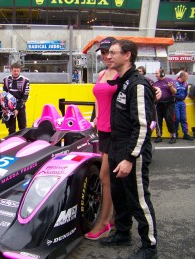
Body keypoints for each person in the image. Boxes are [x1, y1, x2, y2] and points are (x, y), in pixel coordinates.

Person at [100, 39, 158, 259]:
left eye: (113, 52)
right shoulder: (122, 81)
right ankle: (123, 232)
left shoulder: (138, 84)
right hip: (116, 146)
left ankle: (150, 246)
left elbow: (142, 127)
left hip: (131, 152)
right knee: (119, 195)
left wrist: (130, 157)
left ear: (127, 55)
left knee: (138, 199)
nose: (108, 56)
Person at [85, 37, 118, 241]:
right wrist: (97, 116)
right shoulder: (101, 73)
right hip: (103, 130)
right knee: (110, 177)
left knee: (106, 176)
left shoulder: (121, 74)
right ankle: (113, 217)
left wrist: (155, 91)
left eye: (109, 52)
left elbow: (140, 88)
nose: (106, 56)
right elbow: (99, 99)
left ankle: (104, 222)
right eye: (103, 53)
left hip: (117, 132)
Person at [2, 63, 30, 135]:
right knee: (11, 129)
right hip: (9, 107)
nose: (16, 73)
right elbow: (4, 94)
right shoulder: (6, 79)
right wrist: (5, 107)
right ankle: (11, 144)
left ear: (20, 70)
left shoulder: (25, 81)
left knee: (23, 128)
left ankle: (23, 143)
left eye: (17, 71)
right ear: (11, 70)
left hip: (20, 106)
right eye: (14, 71)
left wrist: (17, 108)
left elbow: (25, 97)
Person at [153, 68, 177, 144]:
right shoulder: (155, 83)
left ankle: (173, 136)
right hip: (159, 104)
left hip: (169, 104)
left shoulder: (169, 80)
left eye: (157, 73)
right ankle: (159, 136)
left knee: (169, 119)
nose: (156, 75)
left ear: (162, 73)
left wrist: (170, 87)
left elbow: (175, 92)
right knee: (158, 120)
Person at [174, 72, 194, 141]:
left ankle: (185, 134)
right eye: (186, 77)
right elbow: (172, 92)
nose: (187, 78)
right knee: (177, 118)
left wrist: (182, 98)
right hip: (175, 102)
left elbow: (186, 93)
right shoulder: (174, 82)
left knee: (183, 118)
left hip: (182, 102)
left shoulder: (185, 83)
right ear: (182, 76)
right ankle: (175, 133)